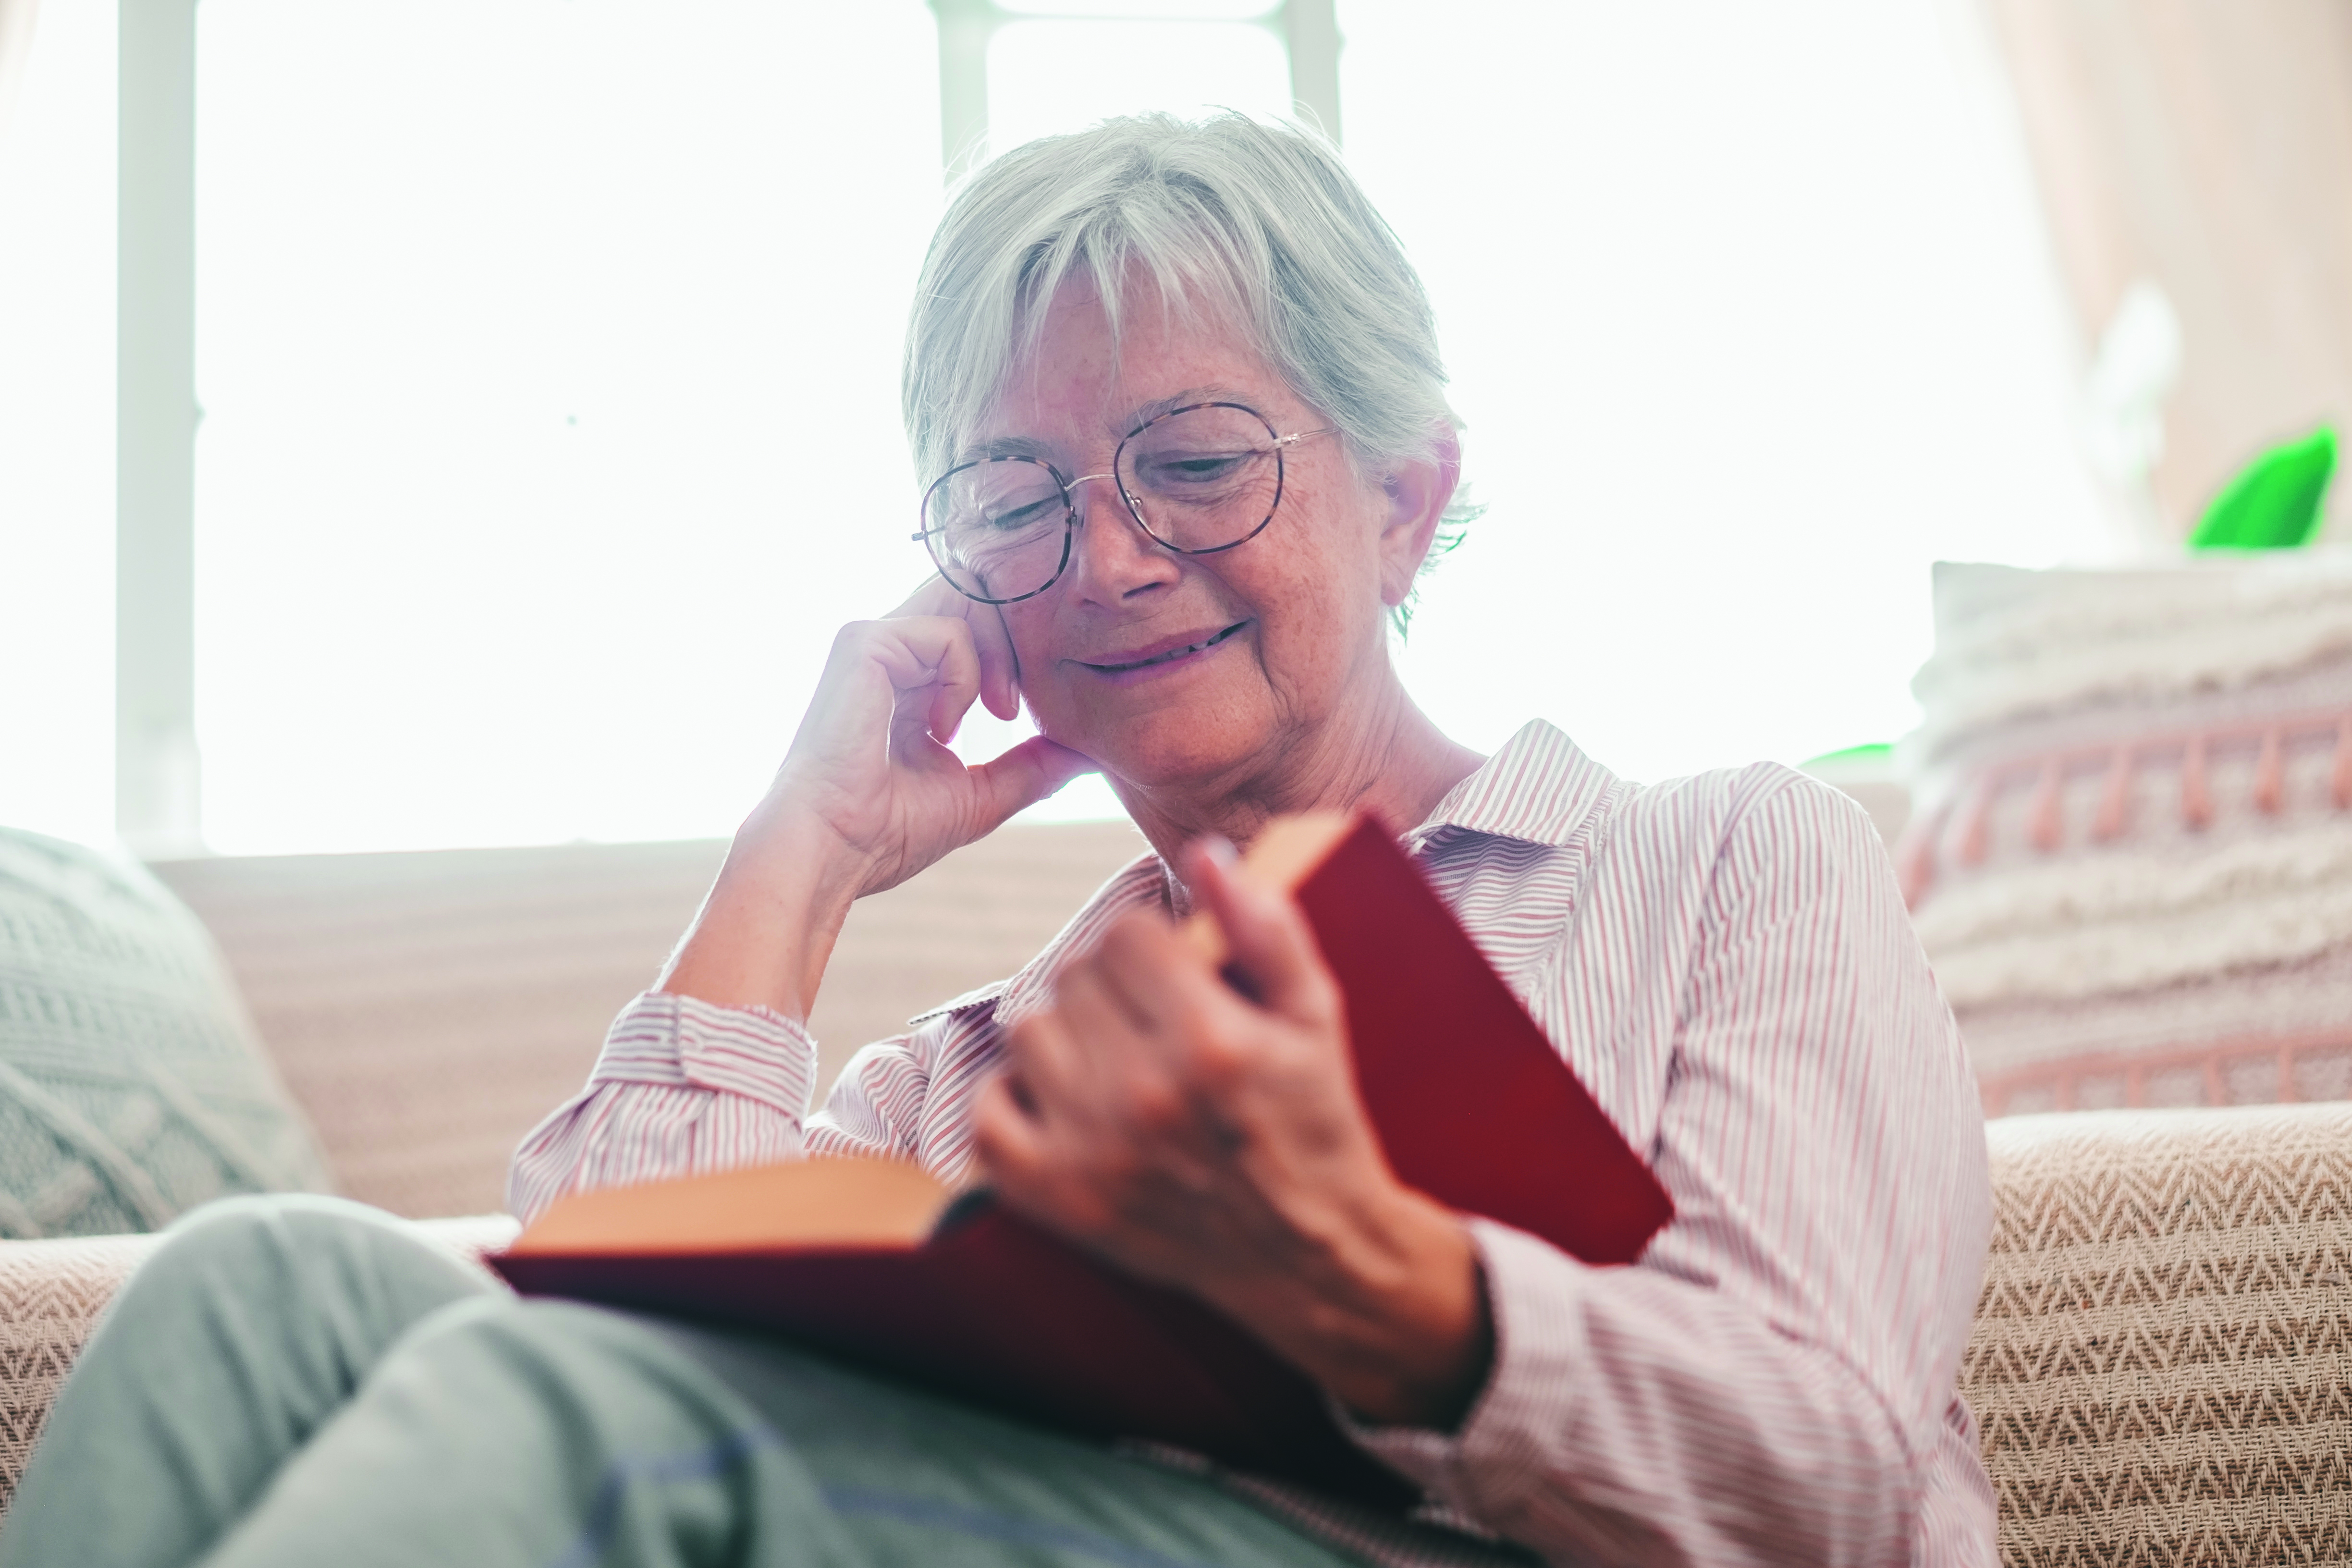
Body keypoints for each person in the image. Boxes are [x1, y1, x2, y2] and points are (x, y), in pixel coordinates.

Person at [0, 114, 1996, 1568]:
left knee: (588, 1428)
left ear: (1408, 499)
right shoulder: (973, 1075)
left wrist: (1378, 1283)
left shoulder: (1733, 867)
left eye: (1196, 463)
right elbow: (601, 1315)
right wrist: (800, 857)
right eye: (1015, 499)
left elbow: (1821, 1478)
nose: (1111, 557)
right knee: (258, 1294)